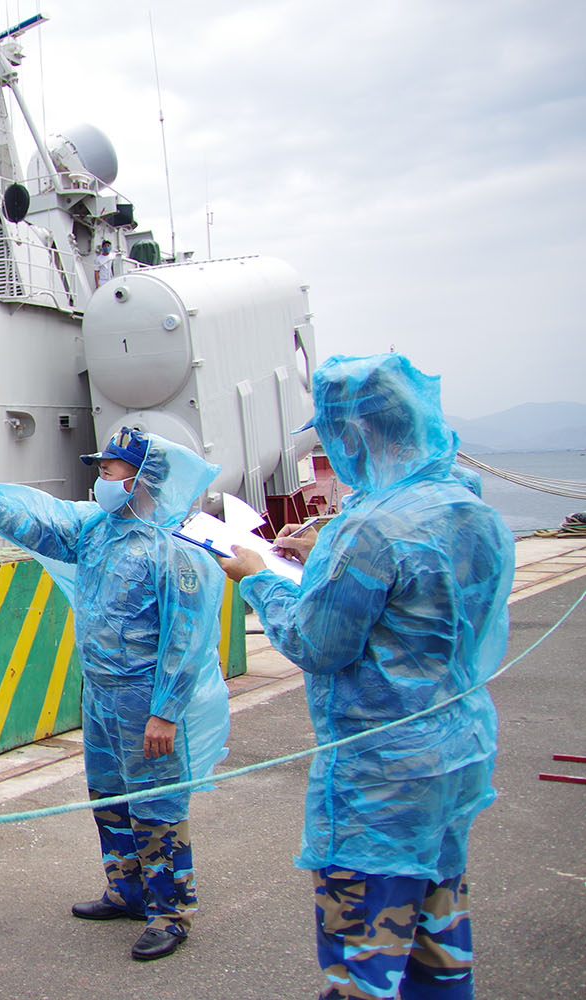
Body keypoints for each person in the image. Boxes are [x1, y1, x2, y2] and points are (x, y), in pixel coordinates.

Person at [216, 354, 512, 1000]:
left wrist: (258, 578)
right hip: (457, 753)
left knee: (364, 963)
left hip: (382, 779)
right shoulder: (469, 508)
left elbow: (315, 642)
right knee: (438, 940)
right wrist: (323, 550)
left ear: (355, 433)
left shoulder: (368, 530)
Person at [0, 426, 230, 962]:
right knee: (108, 794)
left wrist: (166, 712)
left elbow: (186, 639)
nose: (100, 478)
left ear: (142, 479)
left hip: (144, 698)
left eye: (109, 469)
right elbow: (41, 531)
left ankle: (170, 911)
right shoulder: (98, 531)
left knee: (156, 803)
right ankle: (126, 890)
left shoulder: (173, 549)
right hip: (99, 692)